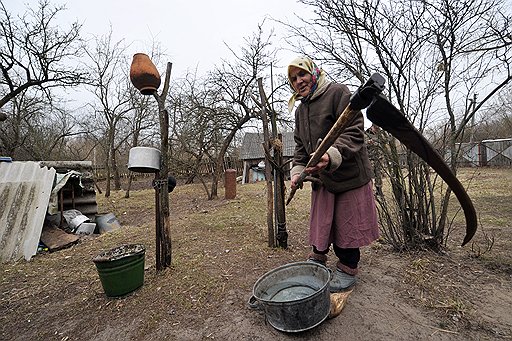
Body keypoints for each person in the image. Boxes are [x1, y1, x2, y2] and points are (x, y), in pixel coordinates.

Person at [287, 56, 380, 292]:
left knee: (346, 226)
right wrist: (297, 173)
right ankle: (318, 259)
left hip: (348, 174)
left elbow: (354, 131)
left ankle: (348, 268)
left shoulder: (338, 93)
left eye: (302, 74)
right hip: (322, 178)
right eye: (294, 78)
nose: (299, 81)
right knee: (322, 222)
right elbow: (300, 149)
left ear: (314, 73)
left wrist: (331, 155)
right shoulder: (300, 111)